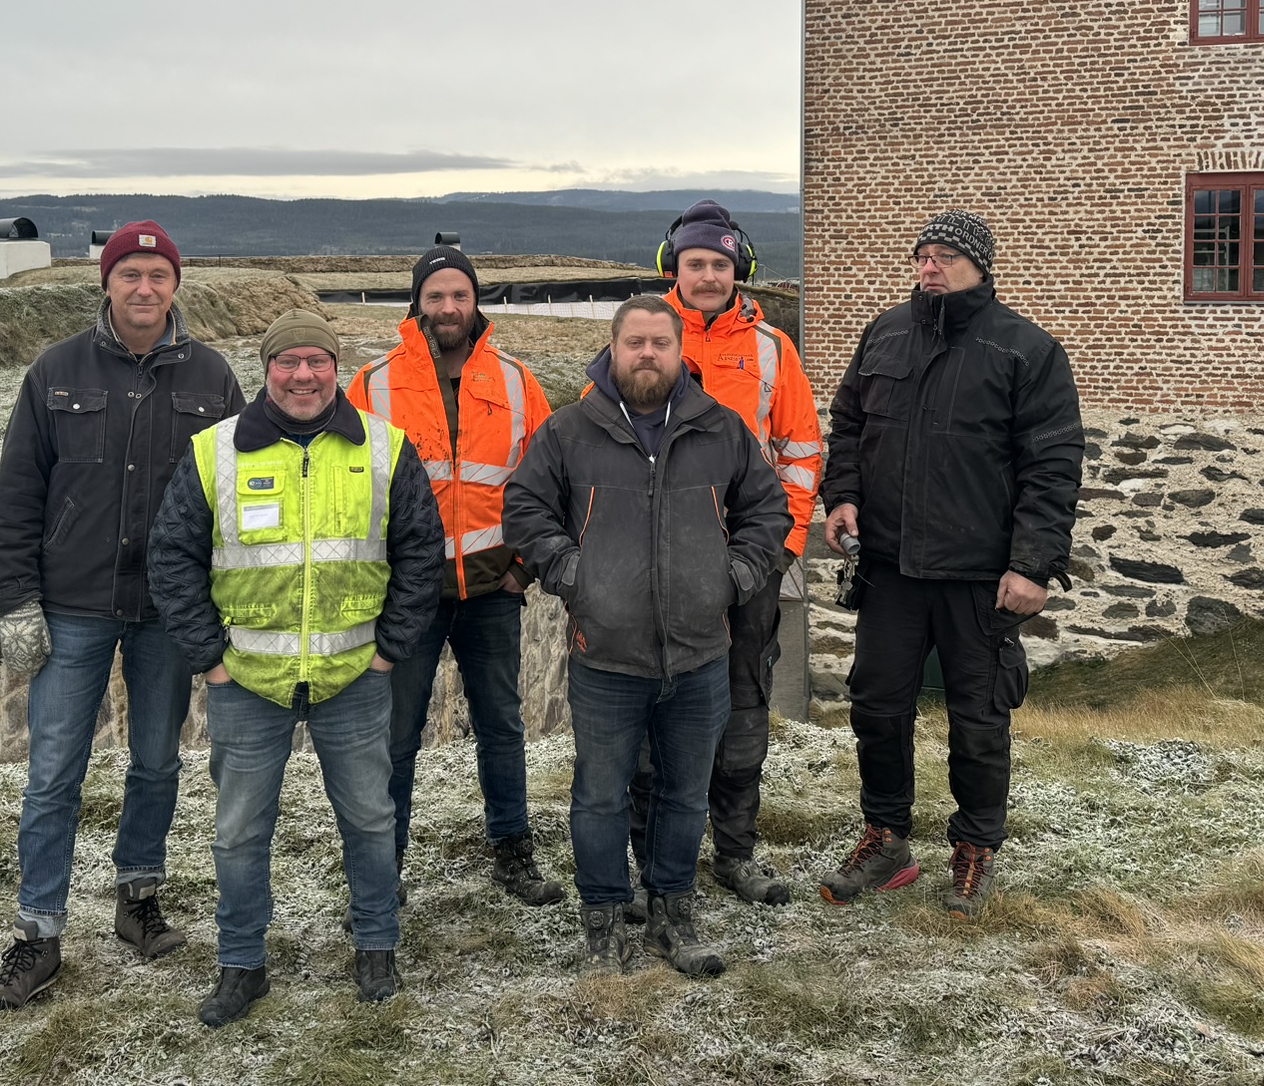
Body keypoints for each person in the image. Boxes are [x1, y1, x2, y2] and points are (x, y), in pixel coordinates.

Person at [0, 220, 245, 1011]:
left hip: (169, 608)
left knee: (157, 761)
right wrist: (16, 601)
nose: (144, 288)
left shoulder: (213, 376)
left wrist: (227, 601)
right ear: (107, 283)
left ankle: (138, 898)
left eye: (158, 276)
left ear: (176, 286)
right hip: (74, 604)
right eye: (130, 274)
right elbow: (17, 494)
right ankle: (39, 932)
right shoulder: (55, 370)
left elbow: (235, 499)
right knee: (54, 771)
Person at [148, 309, 443, 1026]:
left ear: (337, 368)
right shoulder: (215, 451)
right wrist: (210, 659)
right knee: (238, 832)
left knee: (370, 820)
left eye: (317, 361)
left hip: (355, 678)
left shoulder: (385, 448)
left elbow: (421, 552)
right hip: (247, 681)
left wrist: (388, 651)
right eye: (288, 361)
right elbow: (171, 557)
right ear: (267, 369)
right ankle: (241, 964)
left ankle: (376, 946)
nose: (302, 375)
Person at [503, 295, 791, 977]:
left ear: (679, 351)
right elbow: (524, 507)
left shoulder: (719, 428)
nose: (647, 355)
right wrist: (573, 573)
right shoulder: (571, 430)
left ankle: (672, 913)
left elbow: (767, 509)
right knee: (601, 796)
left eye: (661, 343)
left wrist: (735, 576)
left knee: (685, 794)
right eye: (635, 342)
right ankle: (604, 920)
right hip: (606, 655)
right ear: (613, 347)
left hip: (700, 654)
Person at [818, 211, 1083, 918]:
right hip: (889, 569)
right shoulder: (885, 334)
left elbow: (1053, 464)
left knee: (979, 720)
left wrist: (1033, 564)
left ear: (980, 266)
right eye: (922, 255)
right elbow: (848, 425)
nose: (929, 266)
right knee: (877, 709)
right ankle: (887, 839)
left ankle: (975, 847)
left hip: (978, 576)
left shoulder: (1026, 349)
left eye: (945, 256)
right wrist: (842, 496)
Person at [346, 246, 562, 908]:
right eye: (435, 296)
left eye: (459, 295)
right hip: (407, 596)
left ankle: (513, 852)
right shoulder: (372, 384)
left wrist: (523, 566)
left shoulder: (516, 380)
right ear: (417, 303)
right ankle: (384, 866)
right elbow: (347, 491)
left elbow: (548, 479)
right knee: (396, 735)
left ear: (475, 302)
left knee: (501, 726)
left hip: (493, 591)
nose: (448, 307)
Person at [628, 200, 821, 908]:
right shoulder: (644, 338)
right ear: (671, 268)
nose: (708, 275)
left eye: (719, 263)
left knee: (743, 708)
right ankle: (651, 862)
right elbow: (596, 443)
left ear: (739, 267)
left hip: (749, 559)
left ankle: (735, 853)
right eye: (694, 263)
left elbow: (801, 450)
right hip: (655, 562)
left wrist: (784, 544)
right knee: (652, 709)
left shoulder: (773, 349)